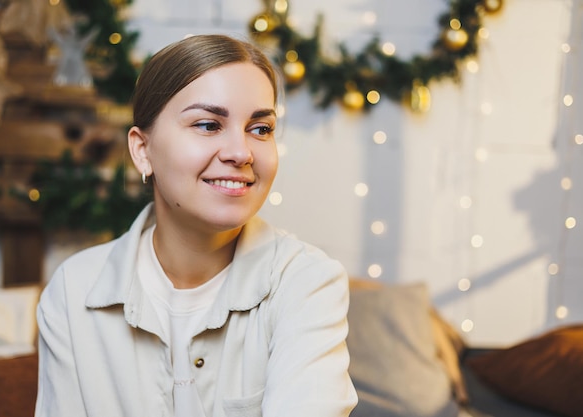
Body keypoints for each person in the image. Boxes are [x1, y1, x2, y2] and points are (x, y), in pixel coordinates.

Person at [35, 33, 357, 417]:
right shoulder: (74, 291)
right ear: (142, 150)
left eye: (260, 129)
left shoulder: (308, 281)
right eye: (208, 125)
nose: (240, 153)